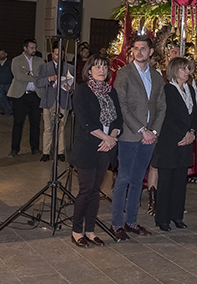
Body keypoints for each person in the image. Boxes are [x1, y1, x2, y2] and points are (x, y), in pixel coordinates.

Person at [112, 35, 166, 241]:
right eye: (136, 48)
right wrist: (142, 130)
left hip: (150, 137)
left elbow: (161, 106)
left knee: (137, 180)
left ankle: (131, 221)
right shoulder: (124, 74)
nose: (139, 52)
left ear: (151, 52)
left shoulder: (157, 76)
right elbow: (122, 106)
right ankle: (117, 223)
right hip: (130, 135)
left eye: (143, 48)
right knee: (124, 179)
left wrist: (154, 132)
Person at [70, 55, 122, 248]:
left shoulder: (111, 92)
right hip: (88, 146)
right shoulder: (82, 91)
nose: (101, 70)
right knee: (85, 190)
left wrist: (112, 138)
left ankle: (90, 231)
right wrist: (106, 138)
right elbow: (85, 121)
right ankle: (76, 231)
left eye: (104, 67)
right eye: (96, 67)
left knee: (95, 191)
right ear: (89, 70)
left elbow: (118, 121)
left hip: (106, 147)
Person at [151, 57, 197, 232]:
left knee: (179, 181)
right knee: (166, 182)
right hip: (170, 142)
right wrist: (183, 133)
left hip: (185, 141)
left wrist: (192, 132)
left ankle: (177, 215)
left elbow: (193, 115)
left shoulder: (190, 90)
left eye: (188, 69)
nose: (187, 72)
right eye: (183, 69)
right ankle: (162, 218)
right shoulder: (168, 90)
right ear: (174, 71)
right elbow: (168, 117)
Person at [37, 42, 74, 162]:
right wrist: (49, 79)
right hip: (48, 101)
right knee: (48, 128)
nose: (58, 56)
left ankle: (60, 152)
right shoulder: (45, 67)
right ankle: (46, 152)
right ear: (52, 54)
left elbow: (75, 86)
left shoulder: (70, 68)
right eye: (56, 54)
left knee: (61, 128)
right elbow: (38, 82)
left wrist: (70, 88)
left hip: (63, 100)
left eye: (61, 54)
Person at [7, 39, 44, 157]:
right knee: (18, 123)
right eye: (31, 47)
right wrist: (34, 77)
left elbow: (43, 76)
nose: (34, 50)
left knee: (35, 123)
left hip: (35, 95)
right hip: (20, 96)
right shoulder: (16, 60)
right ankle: (14, 149)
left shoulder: (40, 61)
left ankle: (35, 148)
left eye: (35, 47)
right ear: (25, 48)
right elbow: (18, 76)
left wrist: (28, 73)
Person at [0, 50, 13, 115]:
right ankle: (2, 110)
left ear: (6, 54)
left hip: (8, 83)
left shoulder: (10, 63)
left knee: (9, 98)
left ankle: (10, 110)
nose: (1, 55)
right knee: (0, 98)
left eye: (2, 54)